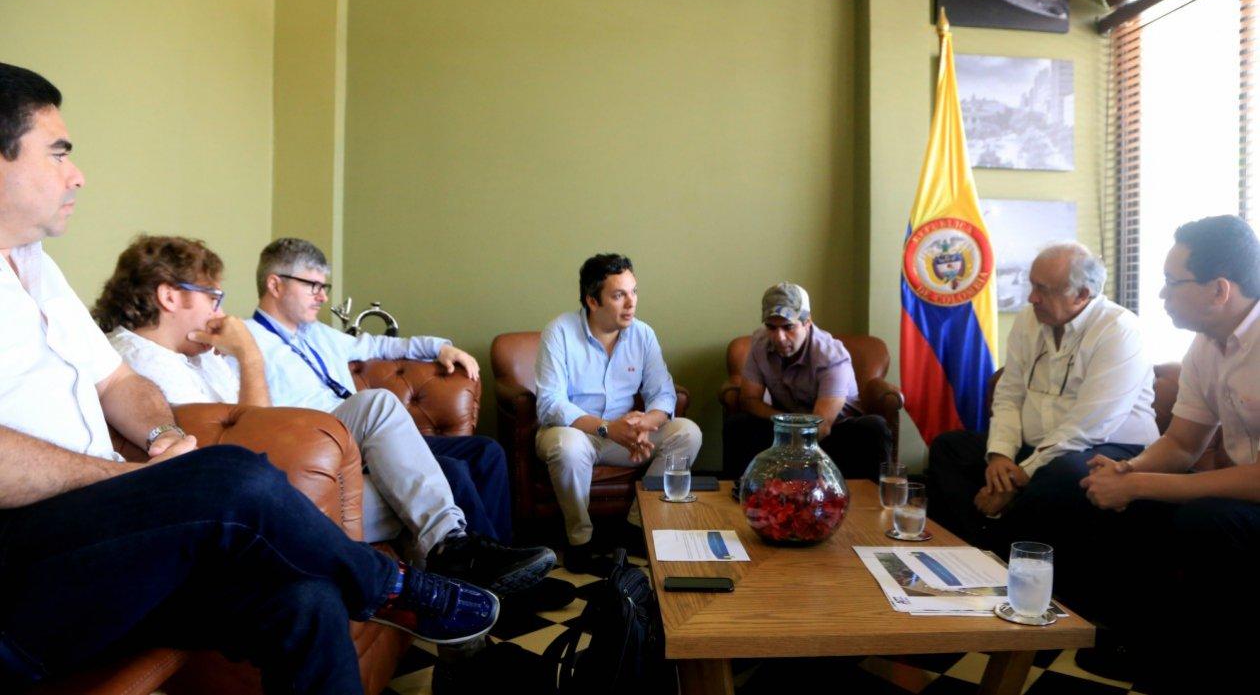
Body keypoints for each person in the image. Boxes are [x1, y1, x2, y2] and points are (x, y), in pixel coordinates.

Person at [0, 61, 496, 694]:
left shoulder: (34, 265)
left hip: (105, 541)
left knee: (308, 601)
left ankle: (409, 578)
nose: (77, 175)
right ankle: (393, 587)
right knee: (230, 474)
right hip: (23, 562)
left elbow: (118, 382)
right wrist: (131, 480)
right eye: (58, 154)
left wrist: (158, 438)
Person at [91, 235, 522, 558]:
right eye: (213, 298)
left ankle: (461, 566)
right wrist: (249, 355)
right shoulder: (136, 366)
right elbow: (251, 446)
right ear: (169, 296)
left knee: (425, 443)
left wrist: (439, 345)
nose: (219, 312)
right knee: (433, 477)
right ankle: (468, 571)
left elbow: (376, 348)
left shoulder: (202, 357)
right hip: (277, 475)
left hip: (314, 451)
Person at [242, 237, 555, 596]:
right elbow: (254, 419)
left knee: (486, 452)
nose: (322, 296)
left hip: (369, 437)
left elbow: (384, 345)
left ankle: (505, 563)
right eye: (312, 285)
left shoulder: (320, 334)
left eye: (323, 287)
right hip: (324, 443)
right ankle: (484, 574)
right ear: (275, 284)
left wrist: (440, 346)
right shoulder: (247, 343)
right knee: (443, 463)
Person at [1079, 215, 1260, 691]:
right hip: (1242, 493)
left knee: (1208, 520)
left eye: (1171, 283)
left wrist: (1144, 482)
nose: (1161, 295)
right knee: (1128, 503)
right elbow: (1182, 444)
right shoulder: (1206, 346)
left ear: (1219, 290)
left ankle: (1203, 667)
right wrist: (1126, 470)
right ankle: (1138, 644)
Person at [925, 243, 1158, 555]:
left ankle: (997, 554)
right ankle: (971, 548)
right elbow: (1008, 396)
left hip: (1107, 448)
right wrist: (1001, 457)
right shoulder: (1028, 321)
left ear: (1081, 294)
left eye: (1042, 289)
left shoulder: (1119, 330)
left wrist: (1022, 475)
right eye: (1032, 285)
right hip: (1039, 448)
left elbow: (1089, 425)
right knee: (950, 448)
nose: (1031, 297)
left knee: (1061, 475)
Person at [534, 253, 703, 574]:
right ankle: (579, 539)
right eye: (619, 295)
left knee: (688, 433)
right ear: (592, 301)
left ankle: (635, 527)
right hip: (576, 433)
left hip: (624, 436)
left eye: (634, 291)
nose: (631, 303)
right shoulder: (559, 332)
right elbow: (550, 404)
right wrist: (607, 428)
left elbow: (663, 393)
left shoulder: (643, 334)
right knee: (566, 446)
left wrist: (645, 423)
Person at [721, 282, 892, 481]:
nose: (779, 337)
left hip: (834, 431)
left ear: (807, 322)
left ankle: (870, 503)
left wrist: (790, 463)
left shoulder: (832, 356)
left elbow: (822, 425)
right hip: (785, 426)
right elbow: (749, 401)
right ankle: (738, 494)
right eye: (771, 327)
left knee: (874, 428)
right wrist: (786, 421)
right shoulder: (760, 343)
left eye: (788, 327)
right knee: (738, 425)